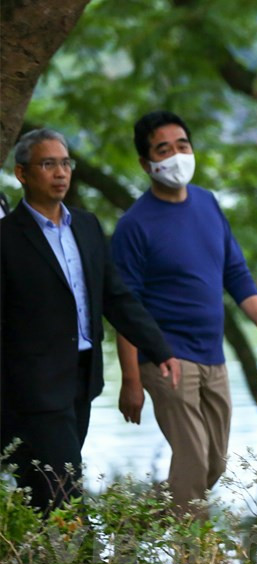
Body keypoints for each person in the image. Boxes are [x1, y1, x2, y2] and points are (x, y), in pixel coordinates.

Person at [0, 128, 179, 512]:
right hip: (33, 383)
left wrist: (157, 346)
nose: (61, 173)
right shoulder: (7, 238)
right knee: (65, 481)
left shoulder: (86, 226)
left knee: (42, 484)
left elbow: (115, 296)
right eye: (48, 164)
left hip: (83, 374)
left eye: (65, 163)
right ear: (22, 173)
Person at [111, 111, 257, 517]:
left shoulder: (207, 203)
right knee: (194, 459)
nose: (176, 155)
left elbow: (235, 272)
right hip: (165, 358)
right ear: (146, 163)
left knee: (212, 464)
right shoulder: (134, 225)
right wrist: (131, 379)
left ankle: (130, 534)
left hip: (212, 356)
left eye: (182, 145)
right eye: (163, 149)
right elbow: (123, 306)